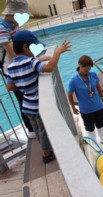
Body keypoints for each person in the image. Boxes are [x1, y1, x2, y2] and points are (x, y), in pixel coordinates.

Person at [6, 30, 71, 163]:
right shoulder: (30, 62)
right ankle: (47, 154)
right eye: (33, 47)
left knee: (37, 129)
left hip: (26, 105)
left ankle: (45, 148)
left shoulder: (11, 67)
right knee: (44, 130)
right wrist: (58, 52)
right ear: (25, 47)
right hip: (37, 105)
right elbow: (48, 68)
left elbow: (10, 86)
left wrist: (23, 83)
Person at [0, 0, 36, 138]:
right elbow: (13, 55)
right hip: (14, 71)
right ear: (13, 13)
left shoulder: (14, 25)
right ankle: (31, 129)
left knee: (30, 97)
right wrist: (34, 61)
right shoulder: (2, 28)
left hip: (22, 66)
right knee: (23, 100)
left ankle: (36, 126)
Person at [67, 55, 103, 147]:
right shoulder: (74, 81)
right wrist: (73, 107)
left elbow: (98, 86)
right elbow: (69, 94)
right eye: (84, 67)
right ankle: (94, 143)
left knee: (101, 123)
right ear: (79, 65)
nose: (87, 69)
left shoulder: (93, 75)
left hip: (98, 105)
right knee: (90, 127)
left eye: (89, 67)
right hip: (86, 109)